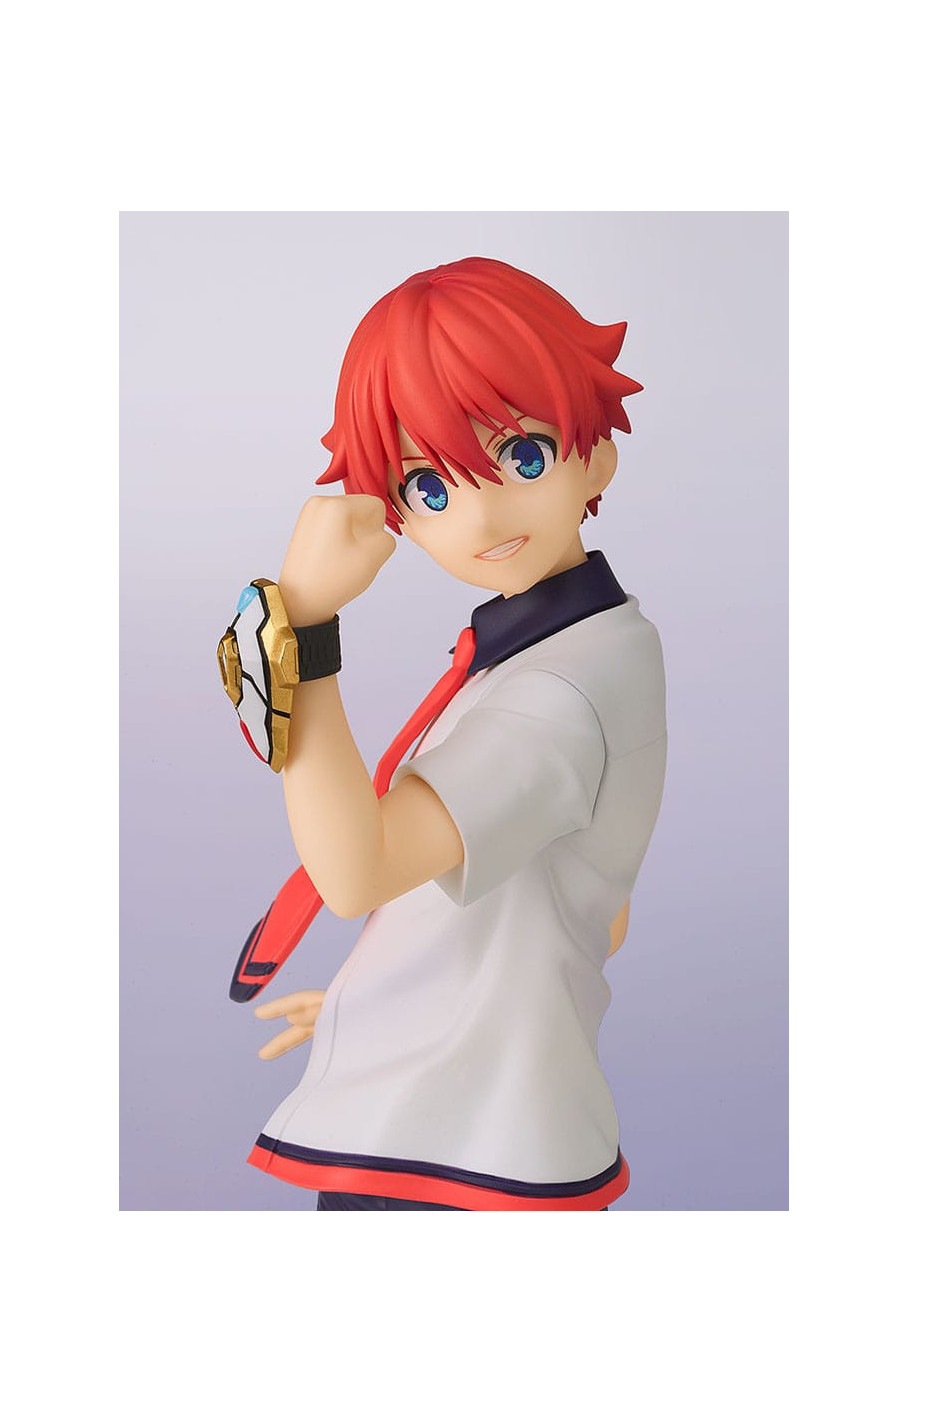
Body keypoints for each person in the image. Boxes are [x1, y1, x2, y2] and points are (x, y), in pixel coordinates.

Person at [239, 257, 667, 1210]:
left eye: (524, 456)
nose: (481, 515)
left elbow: (357, 875)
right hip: (472, 1115)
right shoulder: (594, 643)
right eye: (430, 487)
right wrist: (392, 995)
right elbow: (597, 904)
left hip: (456, 1156)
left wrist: (302, 629)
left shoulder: (556, 689)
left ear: (597, 456)